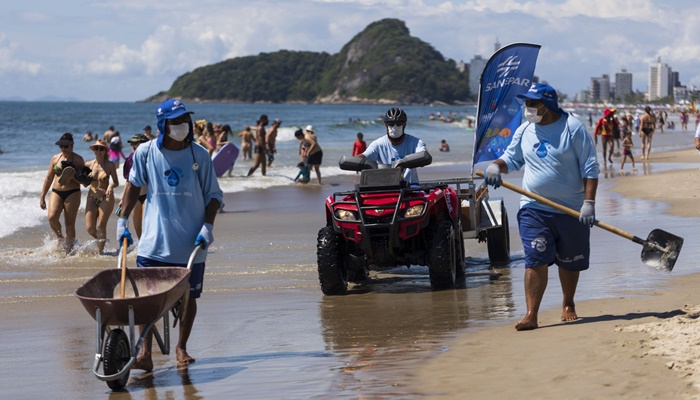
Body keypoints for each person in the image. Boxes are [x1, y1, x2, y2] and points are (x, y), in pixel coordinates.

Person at [483, 83, 599, 331]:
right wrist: (496, 166)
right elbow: (511, 159)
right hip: (534, 208)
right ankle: (531, 314)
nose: (527, 108)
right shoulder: (525, 130)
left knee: (570, 261)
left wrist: (589, 203)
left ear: (547, 106)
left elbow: (590, 169)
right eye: (526, 103)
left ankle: (568, 303)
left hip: (571, 209)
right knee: (535, 258)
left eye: (532, 104)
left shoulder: (573, 128)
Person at [116, 99, 223, 368]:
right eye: (176, 121)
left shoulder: (199, 155)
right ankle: (144, 355)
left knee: (189, 298)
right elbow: (132, 186)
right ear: (163, 124)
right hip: (154, 243)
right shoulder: (145, 152)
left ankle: (181, 347)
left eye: (185, 120)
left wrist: (207, 226)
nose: (182, 126)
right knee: (145, 301)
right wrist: (122, 220)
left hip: (191, 245)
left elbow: (213, 196)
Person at [40, 133, 87, 254]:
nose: (63, 149)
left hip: (73, 192)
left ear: (72, 146)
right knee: (52, 217)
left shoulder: (78, 159)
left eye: (66, 146)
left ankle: (69, 250)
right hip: (56, 191)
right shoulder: (55, 158)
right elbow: (49, 178)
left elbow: (85, 182)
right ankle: (60, 238)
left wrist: (74, 175)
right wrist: (42, 197)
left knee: (69, 223)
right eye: (61, 146)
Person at [359, 107, 427, 185]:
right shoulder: (378, 144)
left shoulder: (415, 142)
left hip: (411, 187)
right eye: (391, 124)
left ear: (404, 125)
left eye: (398, 124)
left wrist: (406, 162)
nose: (395, 127)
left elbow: (424, 155)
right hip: (385, 187)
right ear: (386, 126)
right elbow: (364, 156)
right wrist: (354, 162)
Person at [84, 140, 119, 254]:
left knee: (101, 226)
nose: (98, 151)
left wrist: (110, 186)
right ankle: (101, 240)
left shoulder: (110, 165)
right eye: (96, 149)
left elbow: (116, 182)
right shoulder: (89, 164)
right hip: (91, 198)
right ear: (94, 151)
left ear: (105, 151)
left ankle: (100, 252)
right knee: (90, 228)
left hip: (106, 197)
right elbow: (83, 182)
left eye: (101, 149)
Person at [120, 133, 151, 239]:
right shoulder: (130, 160)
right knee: (137, 227)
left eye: (136, 143)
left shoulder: (152, 158)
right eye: (132, 143)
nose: (133, 145)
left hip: (149, 195)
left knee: (146, 224)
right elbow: (128, 182)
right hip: (135, 196)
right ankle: (142, 246)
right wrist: (123, 199)